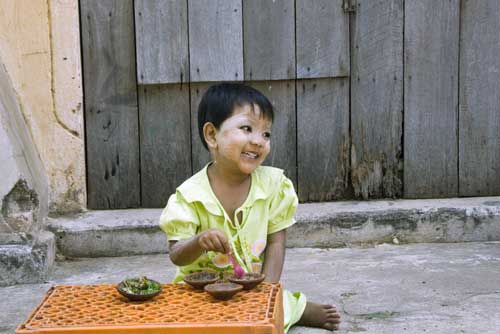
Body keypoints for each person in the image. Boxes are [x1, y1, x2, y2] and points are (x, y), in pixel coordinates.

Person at [159, 83, 340, 332]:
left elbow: (276, 243)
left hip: (248, 288)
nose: (258, 141)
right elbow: (177, 254)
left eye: (266, 134)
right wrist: (199, 241)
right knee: (183, 319)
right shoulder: (190, 196)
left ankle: (295, 308)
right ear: (212, 135)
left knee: (269, 310)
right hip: (199, 292)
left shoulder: (274, 186)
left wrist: (266, 294)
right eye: (247, 129)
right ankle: (288, 310)